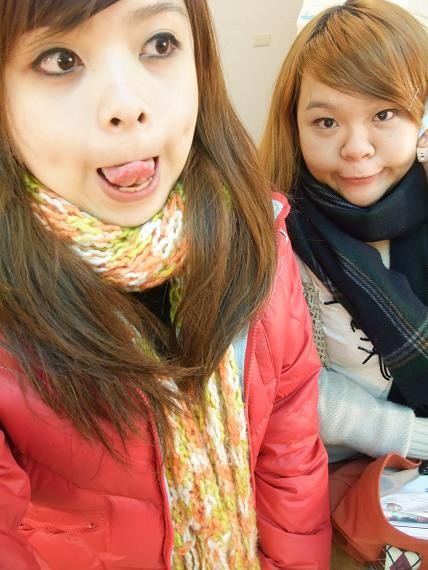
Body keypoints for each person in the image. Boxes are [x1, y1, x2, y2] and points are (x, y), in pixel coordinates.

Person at [0, 1, 331, 568]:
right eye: (60, 59)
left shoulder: (255, 235)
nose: (127, 105)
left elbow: (291, 460)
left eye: (159, 45)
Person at [260, 0, 428, 567]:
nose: (356, 148)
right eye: (326, 122)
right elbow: (290, 389)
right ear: (295, 125)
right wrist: (413, 437)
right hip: (322, 479)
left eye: (384, 114)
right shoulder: (276, 234)